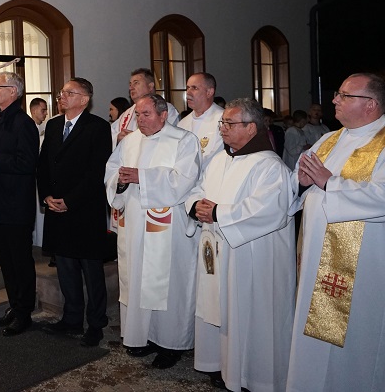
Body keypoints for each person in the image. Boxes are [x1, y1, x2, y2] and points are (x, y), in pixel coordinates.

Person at [186, 98, 295, 391]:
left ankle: (253, 375)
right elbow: (197, 188)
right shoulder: (221, 159)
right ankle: (221, 365)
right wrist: (195, 205)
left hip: (251, 256)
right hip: (217, 250)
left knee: (249, 314)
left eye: (229, 123)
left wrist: (219, 212)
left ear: (251, 128)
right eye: (222, 123)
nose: (222, 128)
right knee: (218, 307)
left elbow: (269, 210)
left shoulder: (270, 166)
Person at [286, 73, 385, 392]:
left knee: (355, 339)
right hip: (315, 256)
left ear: (370, 105)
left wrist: (331, 183)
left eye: (344, 95)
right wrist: (300, 183)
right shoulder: (330, 139)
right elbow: (301, 181)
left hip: (361, 264)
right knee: (312, 336)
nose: (334, 100)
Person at [104, 94, 200, 369]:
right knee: (136, 280)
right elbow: (111, 170)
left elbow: (184, 180)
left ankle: (171, 344)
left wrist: (141, 177)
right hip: (134, 224)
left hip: (167, 228)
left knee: (167, 283)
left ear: (163, 115)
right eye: (137, 115)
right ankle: (141, 336)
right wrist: (119, 182)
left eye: (146, 115)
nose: (140, 120)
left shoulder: (183, 140)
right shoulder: (130, 140)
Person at [38, 77, 112, 347]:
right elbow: (44, 164)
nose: (62, 96)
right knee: (65, 267)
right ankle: (71, 318)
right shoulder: (54, 124)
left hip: (84, 209)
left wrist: (70, 200)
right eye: (62, 92)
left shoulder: (98, 128)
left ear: (84, 99)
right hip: (56, 207)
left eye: (69, 93)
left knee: (91, 270)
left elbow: (97, 172)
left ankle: (96, 323)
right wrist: (46, 194)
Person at [0, 72, 39, 336]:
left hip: (16, 203)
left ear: (13, 92)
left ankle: (25, 312)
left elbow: (27, 164)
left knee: (20, 261)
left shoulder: (23, 123)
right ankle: (14, 306)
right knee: (5, 260)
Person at [114, 68, 179, 146]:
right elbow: (111, 133)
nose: (131, 88)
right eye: (130, 84)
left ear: (150, 86)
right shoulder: (127, 113)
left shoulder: (166, 108)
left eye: (136, 83)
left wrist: (134, 138)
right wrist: (118, 138)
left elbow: (169, 135)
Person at [178, 73, 223, 170]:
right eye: (188, 88)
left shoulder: (224, 120)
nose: (188, 93)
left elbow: (218, 155)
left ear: (209, 92)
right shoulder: (182, 124)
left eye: (194, 88)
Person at [29, 97, 49, 248]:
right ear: (34, 110)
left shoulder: (39, 130)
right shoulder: (29, 128)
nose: (46, 114)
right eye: (43, 110)